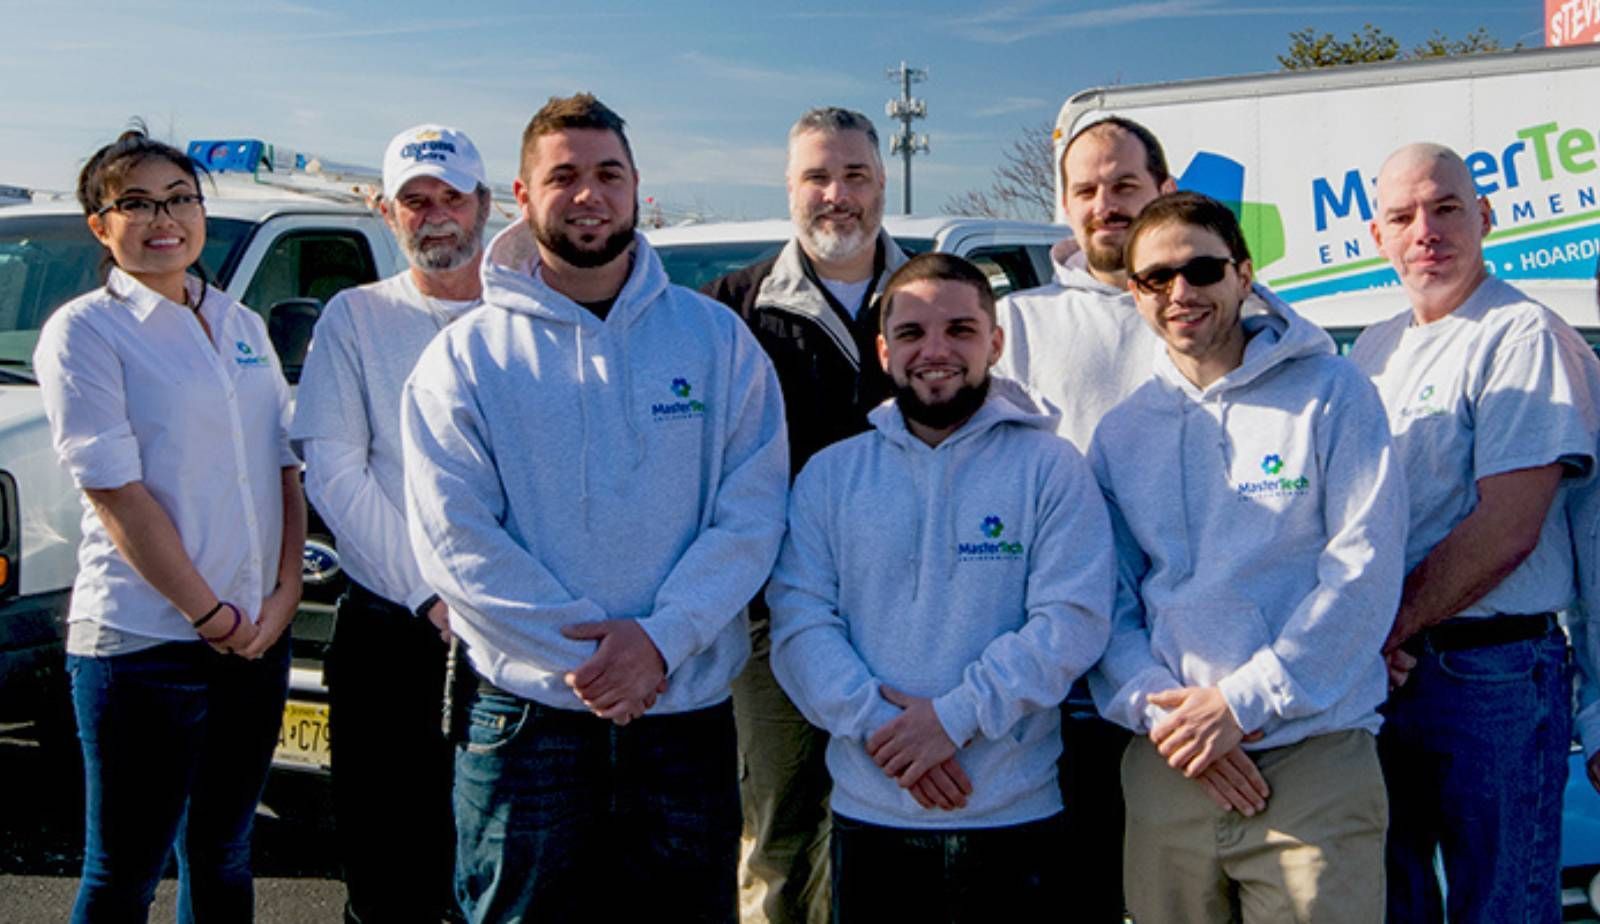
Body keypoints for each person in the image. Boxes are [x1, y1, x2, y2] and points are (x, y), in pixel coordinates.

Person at [400, 93, 789, 923]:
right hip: (526, 725)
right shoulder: (464, 357)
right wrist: (597, 659)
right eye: (564, 176)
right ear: (523, 194)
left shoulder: (715, 341)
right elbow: (453, 539)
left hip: (683, 717)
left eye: (608, 174)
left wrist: (660, 641)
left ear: (637, 187)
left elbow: (753, 514)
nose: (589, 194)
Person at [767, 252, 1114, 922]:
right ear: (883, 349)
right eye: (912, 334)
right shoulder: (830, 476)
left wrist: (953, 719)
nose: (935, 351)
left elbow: (1069, 621)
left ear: (996, 342)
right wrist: (886, 731)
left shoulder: (1052, 469)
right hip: (871, 815)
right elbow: (800, 622)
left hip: (1018, 818)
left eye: (959, 330)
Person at [1089, 191, 1406, 923]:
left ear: (1243, 273)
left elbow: (1363, 570)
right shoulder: (1120, 433)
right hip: (1171, 765)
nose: (1180, 293)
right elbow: (1108, 599)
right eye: (1154, 279)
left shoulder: (1333, 394)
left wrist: (1241, 704)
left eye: (1201, 270)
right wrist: (1169, 717)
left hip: (1314, 756)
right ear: (1133, 292)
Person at [33, 125, 305, 922]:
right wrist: (208, 613)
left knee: (223, 856)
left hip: (254, 637)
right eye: (138, 204)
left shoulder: (242, 324)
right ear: (100, 224)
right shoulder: (86, 332)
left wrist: (282, 597)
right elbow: (117, 493)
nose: (165, 219)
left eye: (180, 199)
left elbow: (283, 467)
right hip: (146, 645)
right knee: (124, 872)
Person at [1350, 143, 1599, 924]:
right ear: (1377, 236)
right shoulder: (1373, 349)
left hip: (1489, 675)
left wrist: (1378, 632)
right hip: (1389, 680)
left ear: (1485, 218)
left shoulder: (1522, 335)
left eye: (1447, 208)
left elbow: (1507, 529)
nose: (1426, 230)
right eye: (1403, 215)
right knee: (1394, 906)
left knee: (1503, 907)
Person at [701, 106, 905, 924]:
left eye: (855, 175)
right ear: (789, 188)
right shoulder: (731, 310)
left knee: (897, 825)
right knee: (778, 834)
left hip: (917, 613)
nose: (837, 195)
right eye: (818, 176)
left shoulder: (934, 294)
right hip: (772, 621)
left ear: (881, 184)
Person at [292, 123, 491, 924]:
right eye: (415, 200)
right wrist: (432, 597)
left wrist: (489, 605)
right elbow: (335, 472)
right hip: (390, 632)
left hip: (511, 639)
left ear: (487, 204)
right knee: (386, 873)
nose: (435, 215)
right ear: (385, 211)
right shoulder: (356, 318)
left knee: (496, 868)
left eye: (451, 197)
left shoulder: (528, 314)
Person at [989, 115, 1174, 921]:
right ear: (1063, 205)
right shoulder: (1020, 325)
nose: (1107, 204)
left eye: (1125, 185)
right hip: (1064, 687)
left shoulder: (1224, 308)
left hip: (1192, 676)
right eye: (1087, 189)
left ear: (1164, 192)